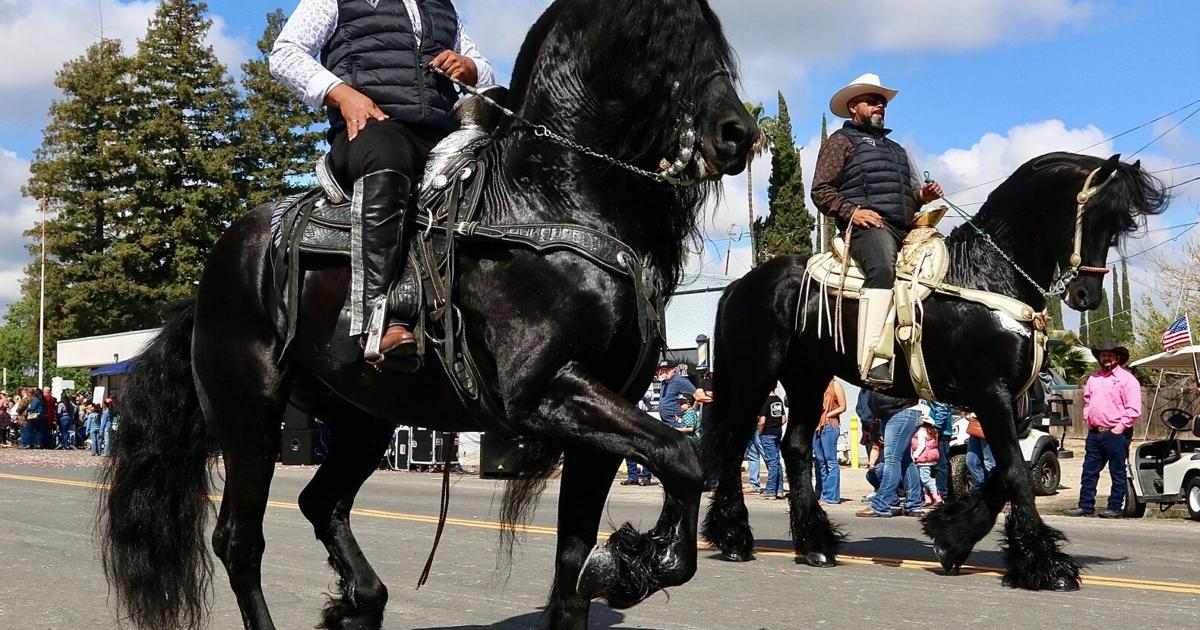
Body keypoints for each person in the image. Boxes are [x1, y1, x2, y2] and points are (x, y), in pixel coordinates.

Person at [271, 0, 496, 363]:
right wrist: (343, 95)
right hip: (372, 128)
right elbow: (285, 54)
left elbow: (483, 69)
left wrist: (470, 68)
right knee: (388, 157)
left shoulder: (441, 6)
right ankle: (380, 316)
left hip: (442, 134)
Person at [812, 73, 944, 387]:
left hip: (907, 228)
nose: (879, 106)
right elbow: (820, 190)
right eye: (872, 100)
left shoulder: (898, 149)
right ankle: (873, 358)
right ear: (853, 107)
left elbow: (905, 195)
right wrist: (853, 212)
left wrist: (922, 197)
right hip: (869, 228)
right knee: (883, 267)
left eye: (882, 101)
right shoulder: (840, 142)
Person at [1066, 341, 1141, 519]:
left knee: (1117, 472)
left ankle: (1114, 508)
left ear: (1118, 357)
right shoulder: (1093, 378)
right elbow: (1087, 401)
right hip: (1095, 433)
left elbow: (1133, 409)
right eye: (1102, 355)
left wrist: (1119, 428)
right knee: (1089, 472)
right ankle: (1085, 506)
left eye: (1109, 355)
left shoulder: (1127, 379)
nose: (1105, 358)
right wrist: (1088, 419)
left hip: (1116, 433)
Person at [857, 392, 923, 517]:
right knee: (905, 460)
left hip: (900, 412)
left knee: (892, 459)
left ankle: (881, 504)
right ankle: (913, 505)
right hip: (900, 412)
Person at [813, 378, 846, 505]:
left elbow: (843, 406)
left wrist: (827, 414)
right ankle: (822, 492)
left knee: (830, 460)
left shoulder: (835, 385)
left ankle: (831, 495)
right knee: (820, 460)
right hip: (816, 426)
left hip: (829, 425)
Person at [622, 383, 656, 486]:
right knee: (629, 447)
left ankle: (646, 477)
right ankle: (632, 477)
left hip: (642, 415)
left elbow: (650, 397)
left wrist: (638, 391)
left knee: (645, 448)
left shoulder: (647, 382)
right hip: (628, 415)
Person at [757, 390, 787, 500]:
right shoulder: (778, 400)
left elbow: (762, 421)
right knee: (776, 461)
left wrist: (760, 432)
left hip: (767, 433)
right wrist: (776, 424)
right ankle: (779, 490)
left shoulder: (765, 401)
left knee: (772, 462)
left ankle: (770, 491)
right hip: (777, 432)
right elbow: (784, 418)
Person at [911, 414, 943, 507]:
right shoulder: (931, 431)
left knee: (925, 479)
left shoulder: (921, 431)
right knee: (925, 478)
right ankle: (927, 498)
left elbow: (921, 445)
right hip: (930, 458)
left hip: (923, 458)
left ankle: (937, 498)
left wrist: (915, 456)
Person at [926, 400, 954, 499]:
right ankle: (933, 494)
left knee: (940, 465)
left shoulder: (936, 393)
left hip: (940, 433)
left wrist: (936, 427)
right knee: (929, 465)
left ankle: (941, 495)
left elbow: (942, 409)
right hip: (932, 431)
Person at [963, 410, 994, 487]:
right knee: (971, 462)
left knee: (990, 464)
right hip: (976, 423)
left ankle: (994, 492)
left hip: (990, 422)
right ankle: (982, 489)